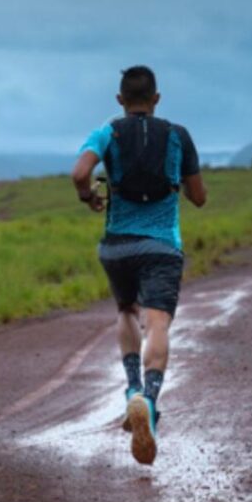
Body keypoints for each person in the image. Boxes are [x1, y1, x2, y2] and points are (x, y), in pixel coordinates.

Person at [71, 65, 207, 465]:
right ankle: (149, 399)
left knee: (126, 311)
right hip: (162, 246)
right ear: (157, 98)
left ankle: (131, 390)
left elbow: (80, 172)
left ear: (120, 100)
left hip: (116, 247)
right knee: (158, 322)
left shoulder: (108, 131)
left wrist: (88, 196)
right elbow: (198, 197)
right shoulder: (179, 136)